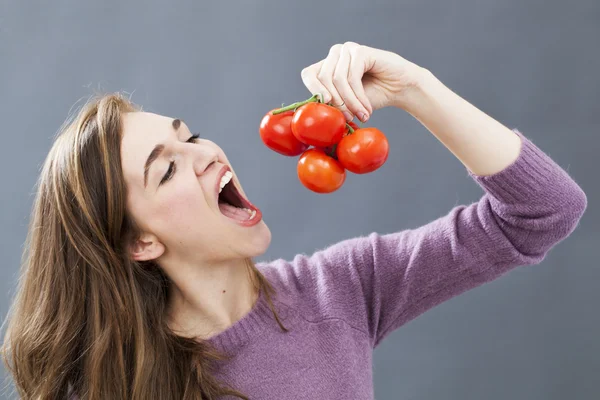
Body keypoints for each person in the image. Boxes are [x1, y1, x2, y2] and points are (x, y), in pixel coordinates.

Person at [1, 42, 587, 400]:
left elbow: (543, 212)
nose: (208, 154)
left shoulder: (342, 289)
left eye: (192, 137)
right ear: (139, 242)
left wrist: (415, 89)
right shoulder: (109, 387)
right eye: (167, 171)